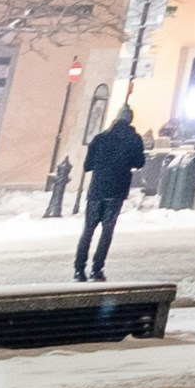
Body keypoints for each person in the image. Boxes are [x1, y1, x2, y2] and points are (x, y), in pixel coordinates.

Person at [74, 111, 150, 282]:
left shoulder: (100, 138)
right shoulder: (134, 139)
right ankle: (97, 269)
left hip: (97, 189)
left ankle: (79, 270)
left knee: (88, 230)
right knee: (107, 231)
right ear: (130, 120)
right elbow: (139, 163)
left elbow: (88, 165)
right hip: (116, 190)